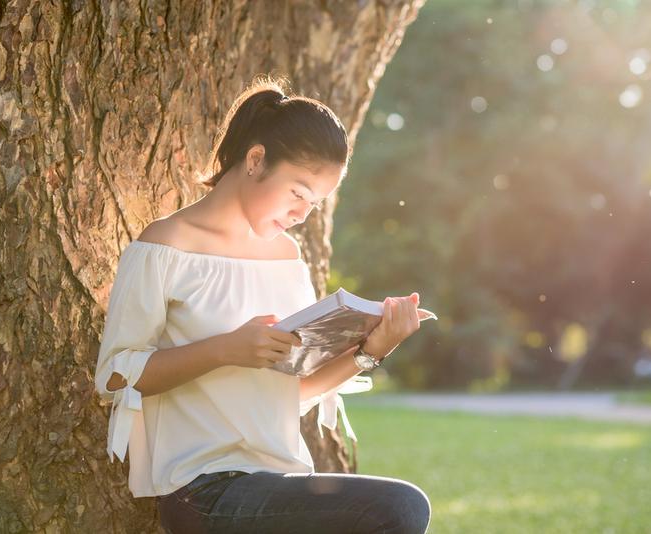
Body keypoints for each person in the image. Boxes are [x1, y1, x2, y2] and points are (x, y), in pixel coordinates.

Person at [94, 74, 431, 533]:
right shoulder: (166, 246)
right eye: (297, 192)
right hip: (202, 489)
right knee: (399, 508)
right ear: (256, 160)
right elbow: (114, 377)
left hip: (281, 480)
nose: (301, 214)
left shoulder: (287, 257)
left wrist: (372, 350)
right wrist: (223, 350)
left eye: (314, 203)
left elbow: (292, 392)